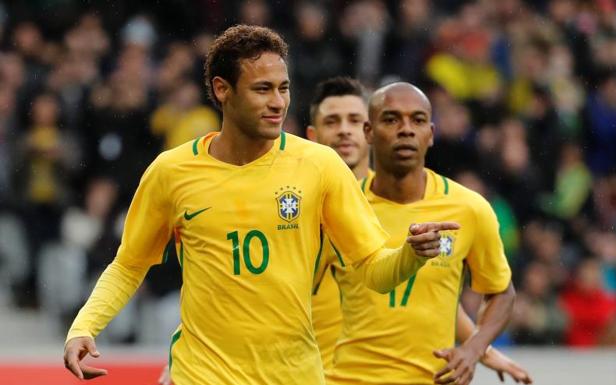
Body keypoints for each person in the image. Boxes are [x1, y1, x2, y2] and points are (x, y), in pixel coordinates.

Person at [62, 25, 457, 385]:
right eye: (262, 89)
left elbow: (372, 269)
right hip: (203, 374)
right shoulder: (172, 172)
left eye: (283, 89)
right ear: (222, 90)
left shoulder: (318, 165)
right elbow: (129, 264)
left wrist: (411, 255)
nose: (278, 102)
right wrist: (85, 325)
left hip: (293, 374)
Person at [312, 81, 522, 385]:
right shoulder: (338, 210)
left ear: (431, 134)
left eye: (418, 120)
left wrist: (475, 348)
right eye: (392, 119)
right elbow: (291, 295)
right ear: (369, 132)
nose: (406, 129)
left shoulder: (469, 209)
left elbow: (500, 290)